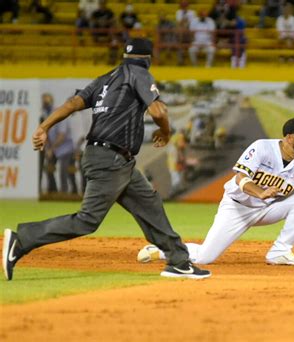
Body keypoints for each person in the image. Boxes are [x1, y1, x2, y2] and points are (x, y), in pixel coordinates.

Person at [2, 38, 211, 281]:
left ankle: (179, 261)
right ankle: (22, 240)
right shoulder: (139, 73)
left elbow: (72, 104)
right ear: (148, 59)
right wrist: (165, 132)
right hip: (110, 159)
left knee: (149, 204)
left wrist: (44, 127)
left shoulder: (105, 79)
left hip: (114, 159)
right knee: (87, 220)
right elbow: (158, 110)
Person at [138, 118, 294, 266]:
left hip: (267, 209)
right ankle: (162, 248)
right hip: (236, 207)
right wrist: (259, 192)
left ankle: (280, 251)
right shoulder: (263, 147)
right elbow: (240, 177)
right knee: (205, 257)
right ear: (289, 138)